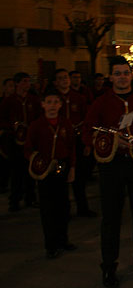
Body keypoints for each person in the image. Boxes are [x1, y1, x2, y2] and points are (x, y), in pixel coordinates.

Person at [83, 56, 133, 288]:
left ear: (131, 75)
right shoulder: (101, 102)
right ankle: (109, 266)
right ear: (111, 77)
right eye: (117, 73)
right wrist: (111, 142)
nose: (122, 77)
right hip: (112, 167)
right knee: (111, 218)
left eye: (125, 73)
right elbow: (87, 133)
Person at [24, 89, 77, 258]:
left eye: (56, 102)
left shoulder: (65, 123)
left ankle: (63, 239)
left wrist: (73, 168)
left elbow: (71, 147)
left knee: (63, 206)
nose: (52, 106)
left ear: (61, 105)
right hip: (45, 169)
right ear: (42, 104)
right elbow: (28, 149)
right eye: (49, 102)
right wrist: (38, 163)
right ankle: (51, 244)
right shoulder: (36, 125)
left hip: (62, 166)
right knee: (48, 208)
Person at [54, 68, 96, 218]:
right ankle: (62, 210)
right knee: (60, 177)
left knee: (80, 178)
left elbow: (87, 121)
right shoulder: (53, 99)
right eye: (60, 78)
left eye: (66, 78)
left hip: (77, 141)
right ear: (56, 82)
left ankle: (82, 208)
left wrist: (87, 143)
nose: (64, 80)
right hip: (59, 143)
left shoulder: (78, 98)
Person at [0, 72, 40, 211]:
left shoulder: (33, 100)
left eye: (28, 81)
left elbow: (39, 117)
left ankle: (31, 198)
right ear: (17, 83)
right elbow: (2, 119)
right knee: (17, 172)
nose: (27, 84)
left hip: (30, 140)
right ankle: (15, 200)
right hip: (15, 141)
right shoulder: (9, 101)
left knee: (30, 170)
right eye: (24, 81)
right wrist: (12, 126)